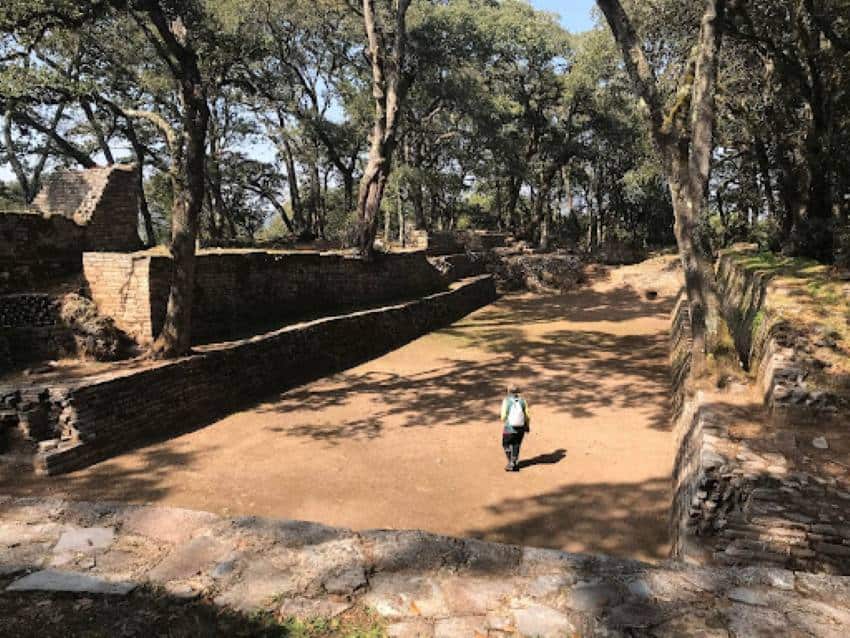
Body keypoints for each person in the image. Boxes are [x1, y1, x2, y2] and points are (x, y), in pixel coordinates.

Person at [500, 385, 530, 472]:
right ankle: (514, 462)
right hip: (521, 428)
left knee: (505, 444)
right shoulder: (523, 401)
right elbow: (527, 415)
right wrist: (527, 425)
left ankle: (510, 462)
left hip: (509, 428)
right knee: (516, 444)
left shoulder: (506, 401)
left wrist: (506, 421)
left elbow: (503, 416)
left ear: (508, 391)